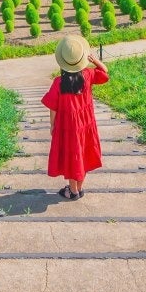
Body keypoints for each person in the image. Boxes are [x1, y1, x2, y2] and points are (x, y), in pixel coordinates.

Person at [43, 34, 108, 200]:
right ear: (82, 60)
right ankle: (79, 187)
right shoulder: (87, 76)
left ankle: (72, 192)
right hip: (86, 124)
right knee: (83, 154)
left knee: (73, 156)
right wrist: (95, 60)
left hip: (67, 127)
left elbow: (53, 107)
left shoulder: (58, 82)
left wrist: (52, 125)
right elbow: (104, 72)